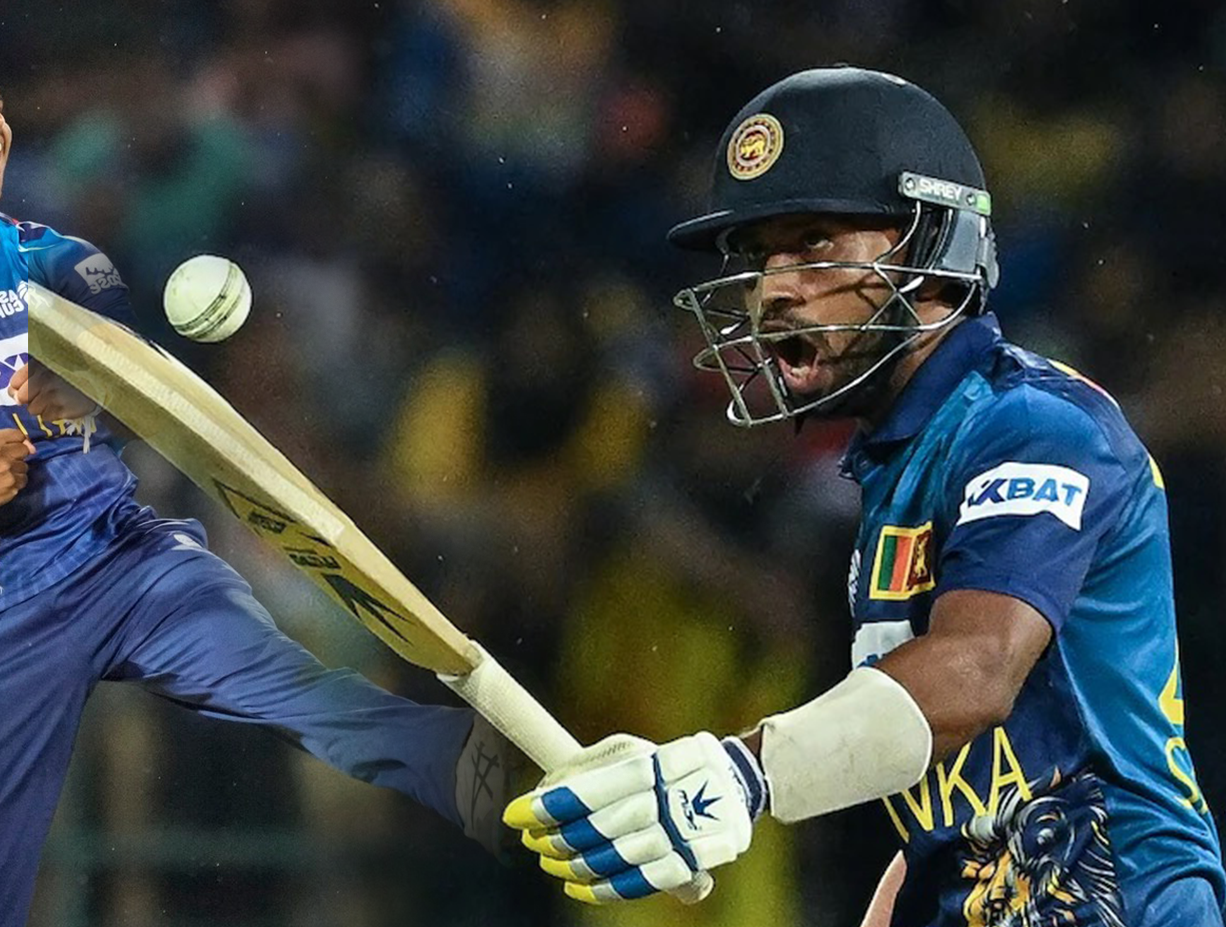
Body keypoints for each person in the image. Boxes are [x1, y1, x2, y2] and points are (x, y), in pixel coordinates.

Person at [502, 65, 1225, 926]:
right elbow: (951, 806)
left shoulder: (1036, 425)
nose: (774, 288)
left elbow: (975, 669)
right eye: (761, 257)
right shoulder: (898, 464)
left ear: (934, 249)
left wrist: (741, 772)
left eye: (813, 243)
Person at [0, 44, 504, 927]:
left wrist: (85, 390)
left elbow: (141, 392)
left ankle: (482, 775)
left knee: (282, 679)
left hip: (121, 563)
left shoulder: (59, 262)